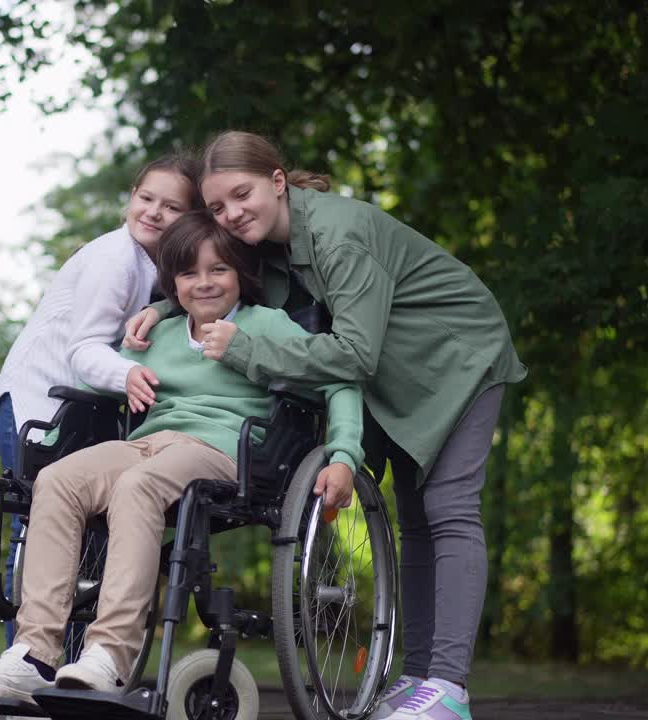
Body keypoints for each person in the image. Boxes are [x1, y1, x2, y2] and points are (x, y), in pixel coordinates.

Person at [124, 131, 527, 720]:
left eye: (243, 195)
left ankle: (449, 687)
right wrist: (160, 308)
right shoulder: (261, 245)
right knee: (412, 523)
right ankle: (419, 680)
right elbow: (213, 282)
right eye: (217, 207)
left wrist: (243, 353)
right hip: (391, 379)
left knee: (449, 510)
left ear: (278, 181)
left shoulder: (339, 234)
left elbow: (356, 354)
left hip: (455, 358)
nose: (232, 215)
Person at [0, 211, 364, 705]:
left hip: (223, 447)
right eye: (189, 273)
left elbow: (338, 378)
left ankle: (110, 655)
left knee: (138, 486)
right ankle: (34, 655)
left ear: (240, 273)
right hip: (148, 442)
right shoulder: (159, 334)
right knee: (59, 479)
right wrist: (106, 370)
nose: (205, 283)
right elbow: (98, 378)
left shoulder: (268, 325)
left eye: (219, 270)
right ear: (173, 284)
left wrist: (343, 454)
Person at [0, 153, 200, 648]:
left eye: (170, 207)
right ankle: (22, 648)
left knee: (87, 525)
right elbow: (84, 351)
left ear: (189, 218)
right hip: (40, 400)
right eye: (145, 198)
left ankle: (70, 656)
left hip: (83, 406)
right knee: (34, 518)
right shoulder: (113, 259)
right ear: (130, 197)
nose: (152, 212)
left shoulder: (156, 268)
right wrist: (132, 375)